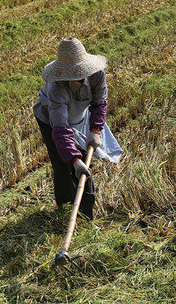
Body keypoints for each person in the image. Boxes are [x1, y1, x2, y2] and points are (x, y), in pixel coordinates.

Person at [33, 37, 122, 219]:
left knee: (85, 166)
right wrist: (74, 160)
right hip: (52, 121)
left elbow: (99, 103)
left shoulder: (96, 74)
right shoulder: (56, 87)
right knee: (63, 164)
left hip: (81, 115)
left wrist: (95, 131)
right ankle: (65, 212)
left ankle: (86, 215)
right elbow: (60, 128)